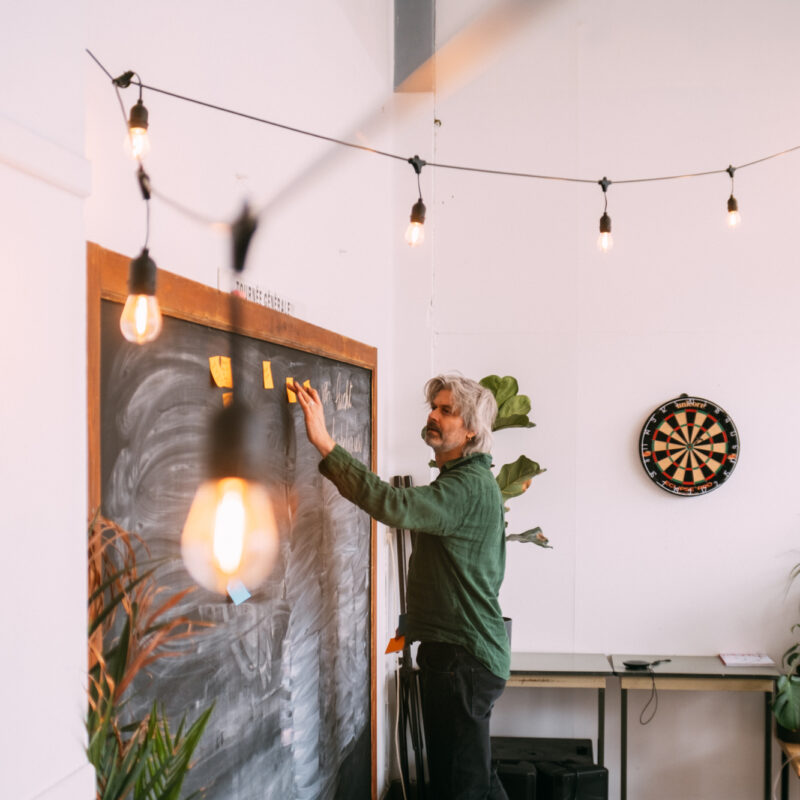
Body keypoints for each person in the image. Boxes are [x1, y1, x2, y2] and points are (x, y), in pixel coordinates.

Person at [293, 374, 510, 800]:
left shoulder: (465, 488)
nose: (433, 415)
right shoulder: (468, 482)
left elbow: (394, 505)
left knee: (459, 789)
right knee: (475, 782)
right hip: (466, 657)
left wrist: (325, 444)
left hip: (459, 659)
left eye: (447, 410)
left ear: (471, 431)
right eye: (434, 407)